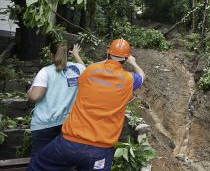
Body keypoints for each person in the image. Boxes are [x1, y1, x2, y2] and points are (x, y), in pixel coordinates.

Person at [28, 38, 145, 171]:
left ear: (107, 53)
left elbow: (90, 67)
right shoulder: (129, 79)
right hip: (99, 150)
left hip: (69, 143)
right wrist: (133, 62)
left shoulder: (89, 71)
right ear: (126, 58)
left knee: (37, 166)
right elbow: (141, 76)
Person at [27, 41, 85, 159]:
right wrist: (76, 54)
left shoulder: (46, 71)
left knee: (39, 161)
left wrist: (29, 91)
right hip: (67, 124)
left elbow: (35, 96)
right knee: (61, 161)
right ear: (67, 53)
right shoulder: (77, 69)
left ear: (51, 55)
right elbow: (85, 69)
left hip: (44, 125)